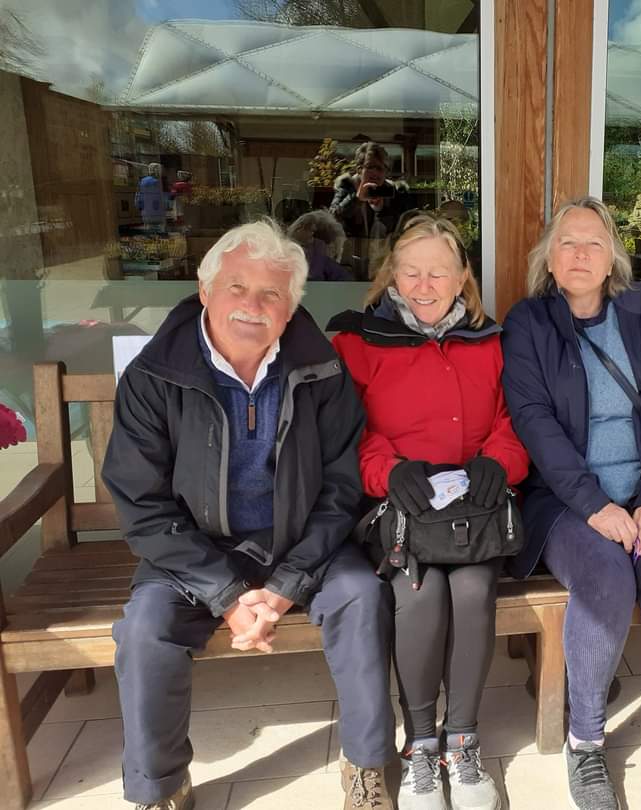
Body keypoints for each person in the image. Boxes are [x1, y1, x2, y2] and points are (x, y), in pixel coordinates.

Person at [103, 220, 396, 810]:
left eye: (271, 294)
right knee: (144, 629)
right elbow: (143, 505)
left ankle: (367, 767)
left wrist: (287, 585)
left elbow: (341, 489)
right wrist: (229, 596)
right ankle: (160, 786)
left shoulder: (323, 371)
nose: (253, 306)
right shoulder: (154, 375)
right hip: (195, 548)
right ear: (205, 290)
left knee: (362, 597)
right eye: (237, 287)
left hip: (301, 541)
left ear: (291, 308)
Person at [501, 197, 641, 810]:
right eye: (568, 243)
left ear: (612, 256)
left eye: (594, 242)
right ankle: (586, 740)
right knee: (606, 578)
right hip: (568, 503)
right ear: (549, 258)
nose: (581, 254)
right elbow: (533, 420)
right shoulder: (529, 323)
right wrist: (594, 505)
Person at [329, 213, 528, 810]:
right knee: (419, 592)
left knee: (472, 589)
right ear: (392, 274)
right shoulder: (358, 341)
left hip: (474, 510)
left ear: (462, 276)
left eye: (438, 272)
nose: (423, 285)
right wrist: (387, 470)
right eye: (410, 272)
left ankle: (461, 743)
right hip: (398, 509)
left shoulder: (490, 341)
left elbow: (514, 420)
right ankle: (419, 745)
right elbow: (343, 431)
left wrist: (500, 462)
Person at [330, 142, 414, 280]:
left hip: (385, 264)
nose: (375, 173)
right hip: (351, 262)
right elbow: (332, 218)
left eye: (380, 168)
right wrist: (357, 199)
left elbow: (406, 225)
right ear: (359, 169)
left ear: (386, 172)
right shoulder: (348, 186)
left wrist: (382, 209)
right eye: (369, 167)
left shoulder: (395, 192)